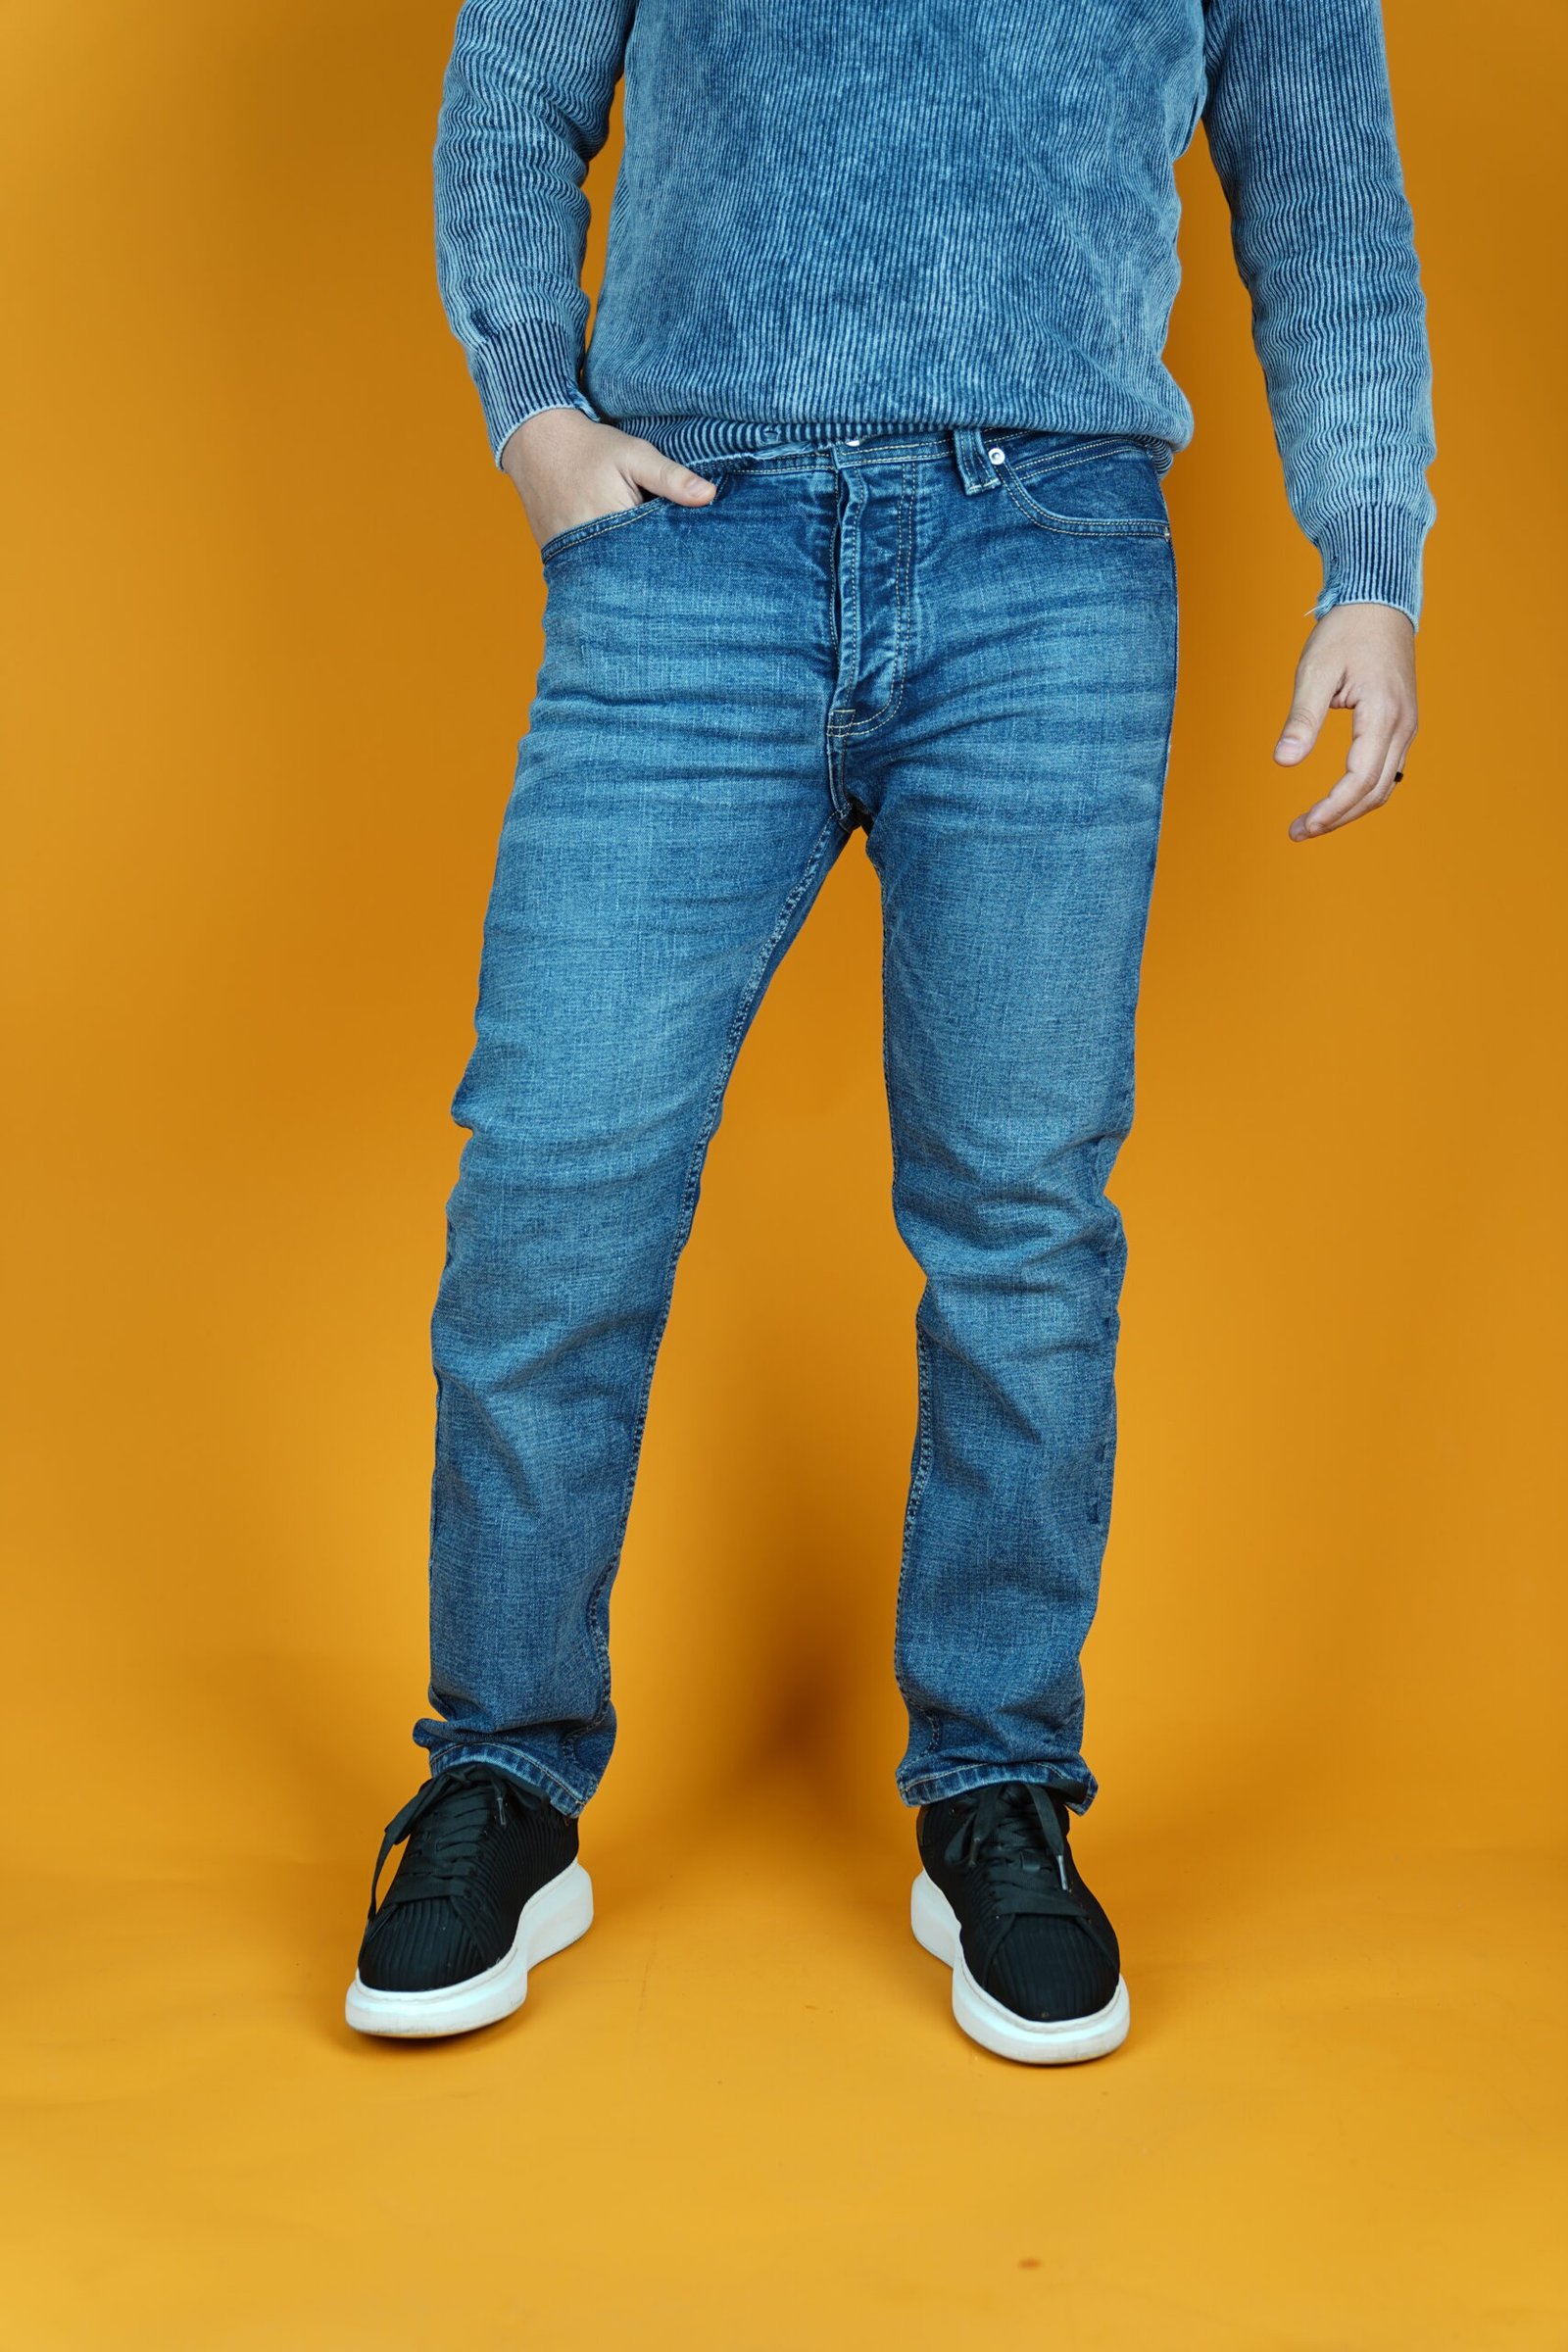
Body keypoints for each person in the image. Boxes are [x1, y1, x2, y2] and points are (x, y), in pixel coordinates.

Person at [344, 0, 1434, 2060]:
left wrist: (1367, 552)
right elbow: (510, 86)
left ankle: (999, 1787)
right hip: (690, 542)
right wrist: (531, 408)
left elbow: (1320, 182)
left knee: (1020, 1222)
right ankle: (500, 1773)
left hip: (1052, 560)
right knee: (555, 1187)